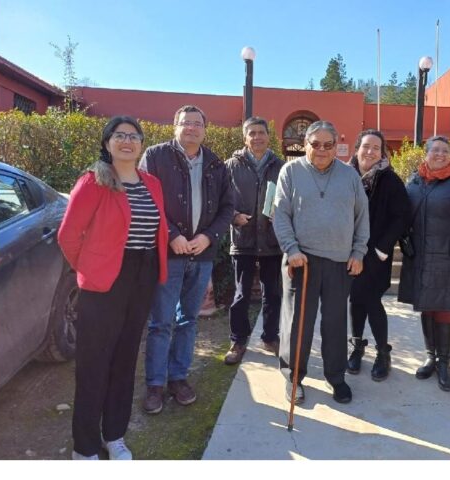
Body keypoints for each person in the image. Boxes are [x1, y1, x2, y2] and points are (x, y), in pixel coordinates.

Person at [58, 116, 168, 460]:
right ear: (107, 143)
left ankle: (114, 435)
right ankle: (85, 447)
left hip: (143, 275)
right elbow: (68, 235)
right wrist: (90, 270)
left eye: (134, 136)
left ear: (141, 144)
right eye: (119, 135)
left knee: (124, 359)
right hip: (104, 280)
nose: (127, 141)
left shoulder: (152, 182)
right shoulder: (94, 182)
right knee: (94, 363)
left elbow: (157, 230)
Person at [139, 105, 234, 414]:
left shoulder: (216, 164)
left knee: (188, 320)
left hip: (201, 254)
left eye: (197, 124)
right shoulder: (155, 157)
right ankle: (155, 384)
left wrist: (207, 237)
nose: (191, 128)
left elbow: (227, 208)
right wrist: (170, 235)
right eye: (185, 123)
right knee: (161, 322)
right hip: (168, 253)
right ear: (175, 126)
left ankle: (178, 378)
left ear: (205, 130)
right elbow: (145, 199)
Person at [273, 120, 369, 405]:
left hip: (339, 262)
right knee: (297, 323)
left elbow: (362, 217)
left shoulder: (350, 176)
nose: (323, 150)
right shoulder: (290, 171)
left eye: (329, 145)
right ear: (306, 145)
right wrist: (290, 248)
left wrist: (358, 252)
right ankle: (293, 377)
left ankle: (336, 377)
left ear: (336, 146)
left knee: (335, 323)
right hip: (301, 260)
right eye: (316, 144)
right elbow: (280, 214)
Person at [398, 135, 450, 392]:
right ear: (426, 153)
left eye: (445, 150)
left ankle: (445, 363)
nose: (440, 154)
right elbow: (402, 215)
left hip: (449, 255)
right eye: (436, 150)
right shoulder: (414, 181)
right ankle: (431, 357)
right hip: (420, 255)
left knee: (444, 308)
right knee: (426, 307)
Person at [345, 130, 411, 381]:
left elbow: (402, 216)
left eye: (376, 147)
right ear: (357, 149)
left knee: (371, 301)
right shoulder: (344, 176)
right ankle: (357, 347)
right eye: (366, 146)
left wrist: (383, 249)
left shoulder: (390, 180)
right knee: (355, 300)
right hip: (348, 251)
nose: (370, 151)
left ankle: (383, 352)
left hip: (375, 254)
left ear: (382, 152)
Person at [223, 117, 285, 364]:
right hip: (243, 239)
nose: (257, 137)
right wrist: (233, 216)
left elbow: (290, 200)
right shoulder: (230, 166)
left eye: (261, 132)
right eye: (252, 133)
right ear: (245, 138)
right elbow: (219, 201)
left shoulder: (281, 167)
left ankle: (270, 337)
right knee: (241, 294)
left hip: (272, 240)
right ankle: (237, 340)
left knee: (273, 293)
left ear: (269, 136)